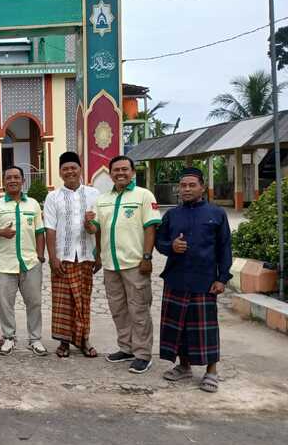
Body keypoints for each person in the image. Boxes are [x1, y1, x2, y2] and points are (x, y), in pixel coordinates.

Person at [155, 168, 231, 393]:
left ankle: (211, 372)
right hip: (176, 279)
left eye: (191, 185)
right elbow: (160, 242)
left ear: (202, 187)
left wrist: (223, 278)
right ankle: (184, 366)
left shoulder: (216, 214)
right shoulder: (171, 215)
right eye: (183, 185)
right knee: (179, 327)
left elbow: (224, 247)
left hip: (205, 281)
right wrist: (172, 247)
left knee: (206, 329)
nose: (186, 189)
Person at [86, 155, 161, 374]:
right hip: (111, 265)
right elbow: (96, 229)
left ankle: (143, 354)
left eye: (124, 169)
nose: (120, 173)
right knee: (118, 310)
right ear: (110, 174)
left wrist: (147, 258)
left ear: (133, 172)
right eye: (116, 170)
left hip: (135, 264)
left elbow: (150, 227)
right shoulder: (103, 199)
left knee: (139, 310)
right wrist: (88, 223)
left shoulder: (143, 196)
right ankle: (126, 347)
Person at [0, 165, 47, 356]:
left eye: (16, 177)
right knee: (6, 304)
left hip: (30, 262)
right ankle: (9, 338)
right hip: (5, 265)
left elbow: (40, 231)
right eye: (8, 177)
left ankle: (35, 339)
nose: (12, 180)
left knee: (34, 302)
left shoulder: (33, 204)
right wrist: (2, 232)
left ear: (22, 180)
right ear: (3, 182)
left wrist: (40, 256)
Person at [43, 152, 101, 358]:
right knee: (63, 302)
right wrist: (52, 258)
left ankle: (84, 340)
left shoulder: (94, 194)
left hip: (86, 255)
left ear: (80, 169)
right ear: (60, 172)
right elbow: (49, 228)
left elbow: (99, 227)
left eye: (73, 168)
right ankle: (64, 342)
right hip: (63, 256)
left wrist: (99, 254)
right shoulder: (53, 197)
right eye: (65, 169)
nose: (70, 172)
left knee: (83, 300)